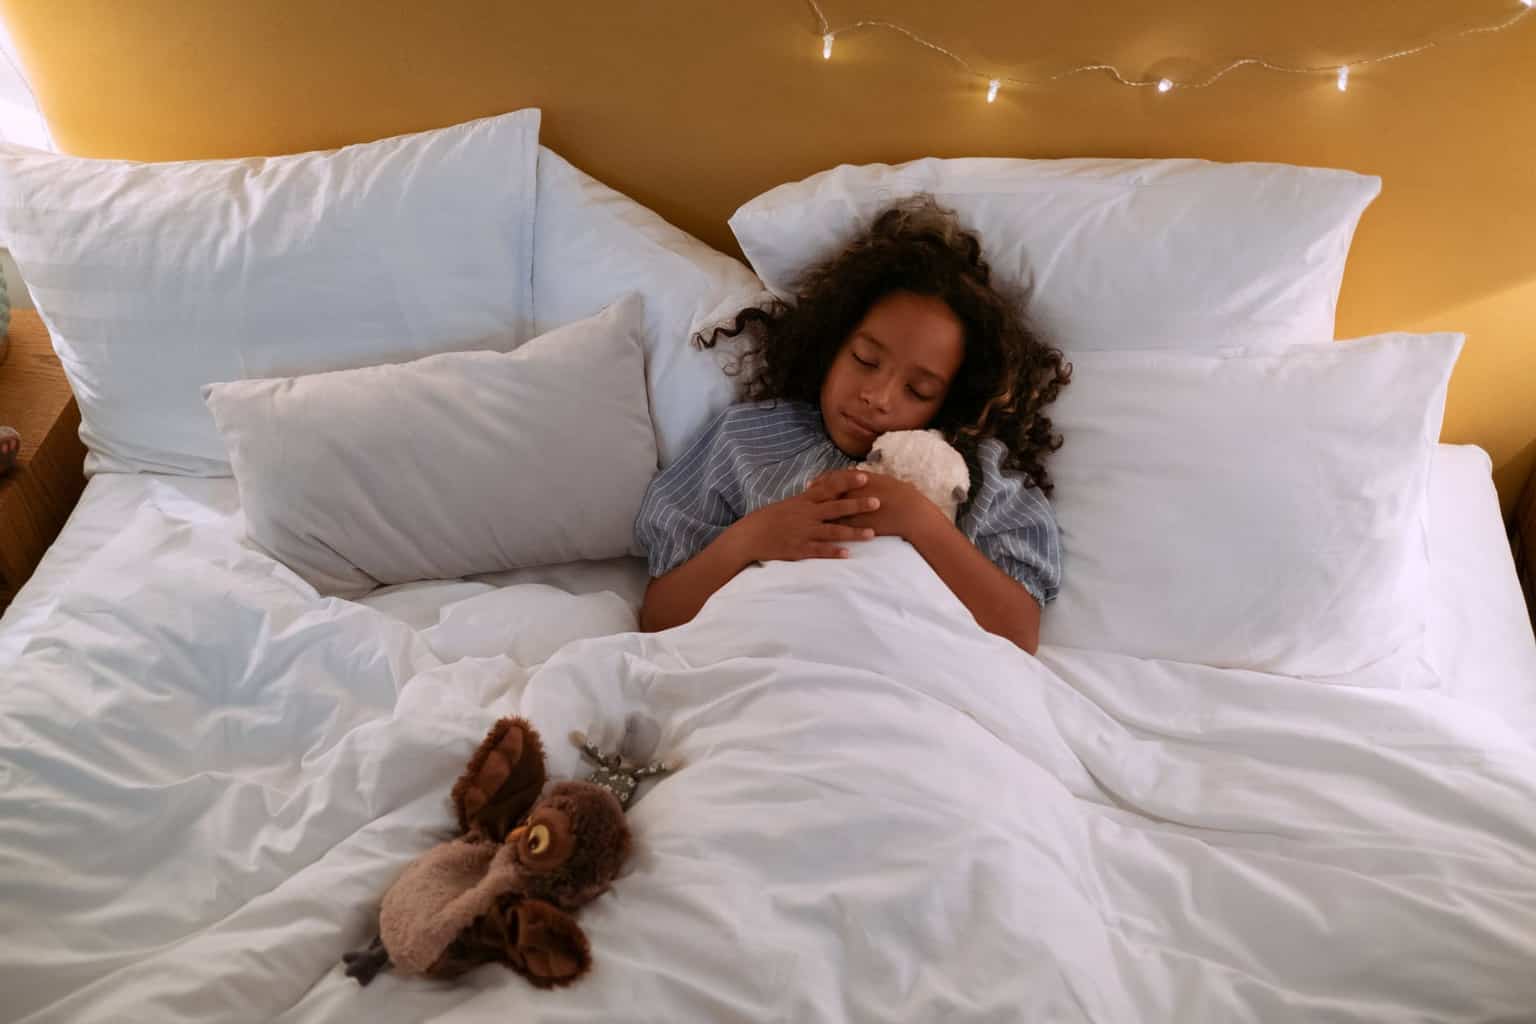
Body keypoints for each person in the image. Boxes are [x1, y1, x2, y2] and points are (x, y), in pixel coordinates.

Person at [634, 195, 1070, 653]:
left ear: (949, 400)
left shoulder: (970, 473)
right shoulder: (746, 440)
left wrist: (921, 521)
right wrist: (750, 538)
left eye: (918, 391)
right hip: (765, 663)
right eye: (865, 360)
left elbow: (1018, 634)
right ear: (832, 344)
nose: (878, 398)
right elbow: (660, 617)